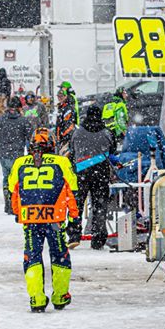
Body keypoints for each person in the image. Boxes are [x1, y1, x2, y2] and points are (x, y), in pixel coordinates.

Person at [7, 128, 79, 312]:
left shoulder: (20, 163)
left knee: (32, 256)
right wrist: (74, 217)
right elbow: (73, 189)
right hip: (54, 218)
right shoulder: (62, 162)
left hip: (30, 218)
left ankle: (36, 298)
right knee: (60, 255)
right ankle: (60, 295)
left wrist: (18, 212)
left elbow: (12, 189)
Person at [69, 105, 116, 250]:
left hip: (81, 173)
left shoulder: (77, 133)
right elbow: (112, 149)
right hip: (100, 173)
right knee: (100, 206)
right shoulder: (106, 133)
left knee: (76, 205)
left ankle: (74, 234)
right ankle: (98, 237)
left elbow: (72, 150)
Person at [0, 96, 34, 213]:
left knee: (6, 178)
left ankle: (7, 203)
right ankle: (14, 204)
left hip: (3, 153)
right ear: (19, 108)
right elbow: (31, 138)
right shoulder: (23, 121)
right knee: (16, 179)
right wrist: (32, 152)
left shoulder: (1, 119)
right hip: (17, 154)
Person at [54, 82, 79, 154]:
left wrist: (62, 136)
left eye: (61, 96)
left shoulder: (70, 100)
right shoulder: (62, 106)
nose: (59, 98)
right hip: (65, 135)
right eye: (58, 96)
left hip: (68, 135)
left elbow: (69, 124)